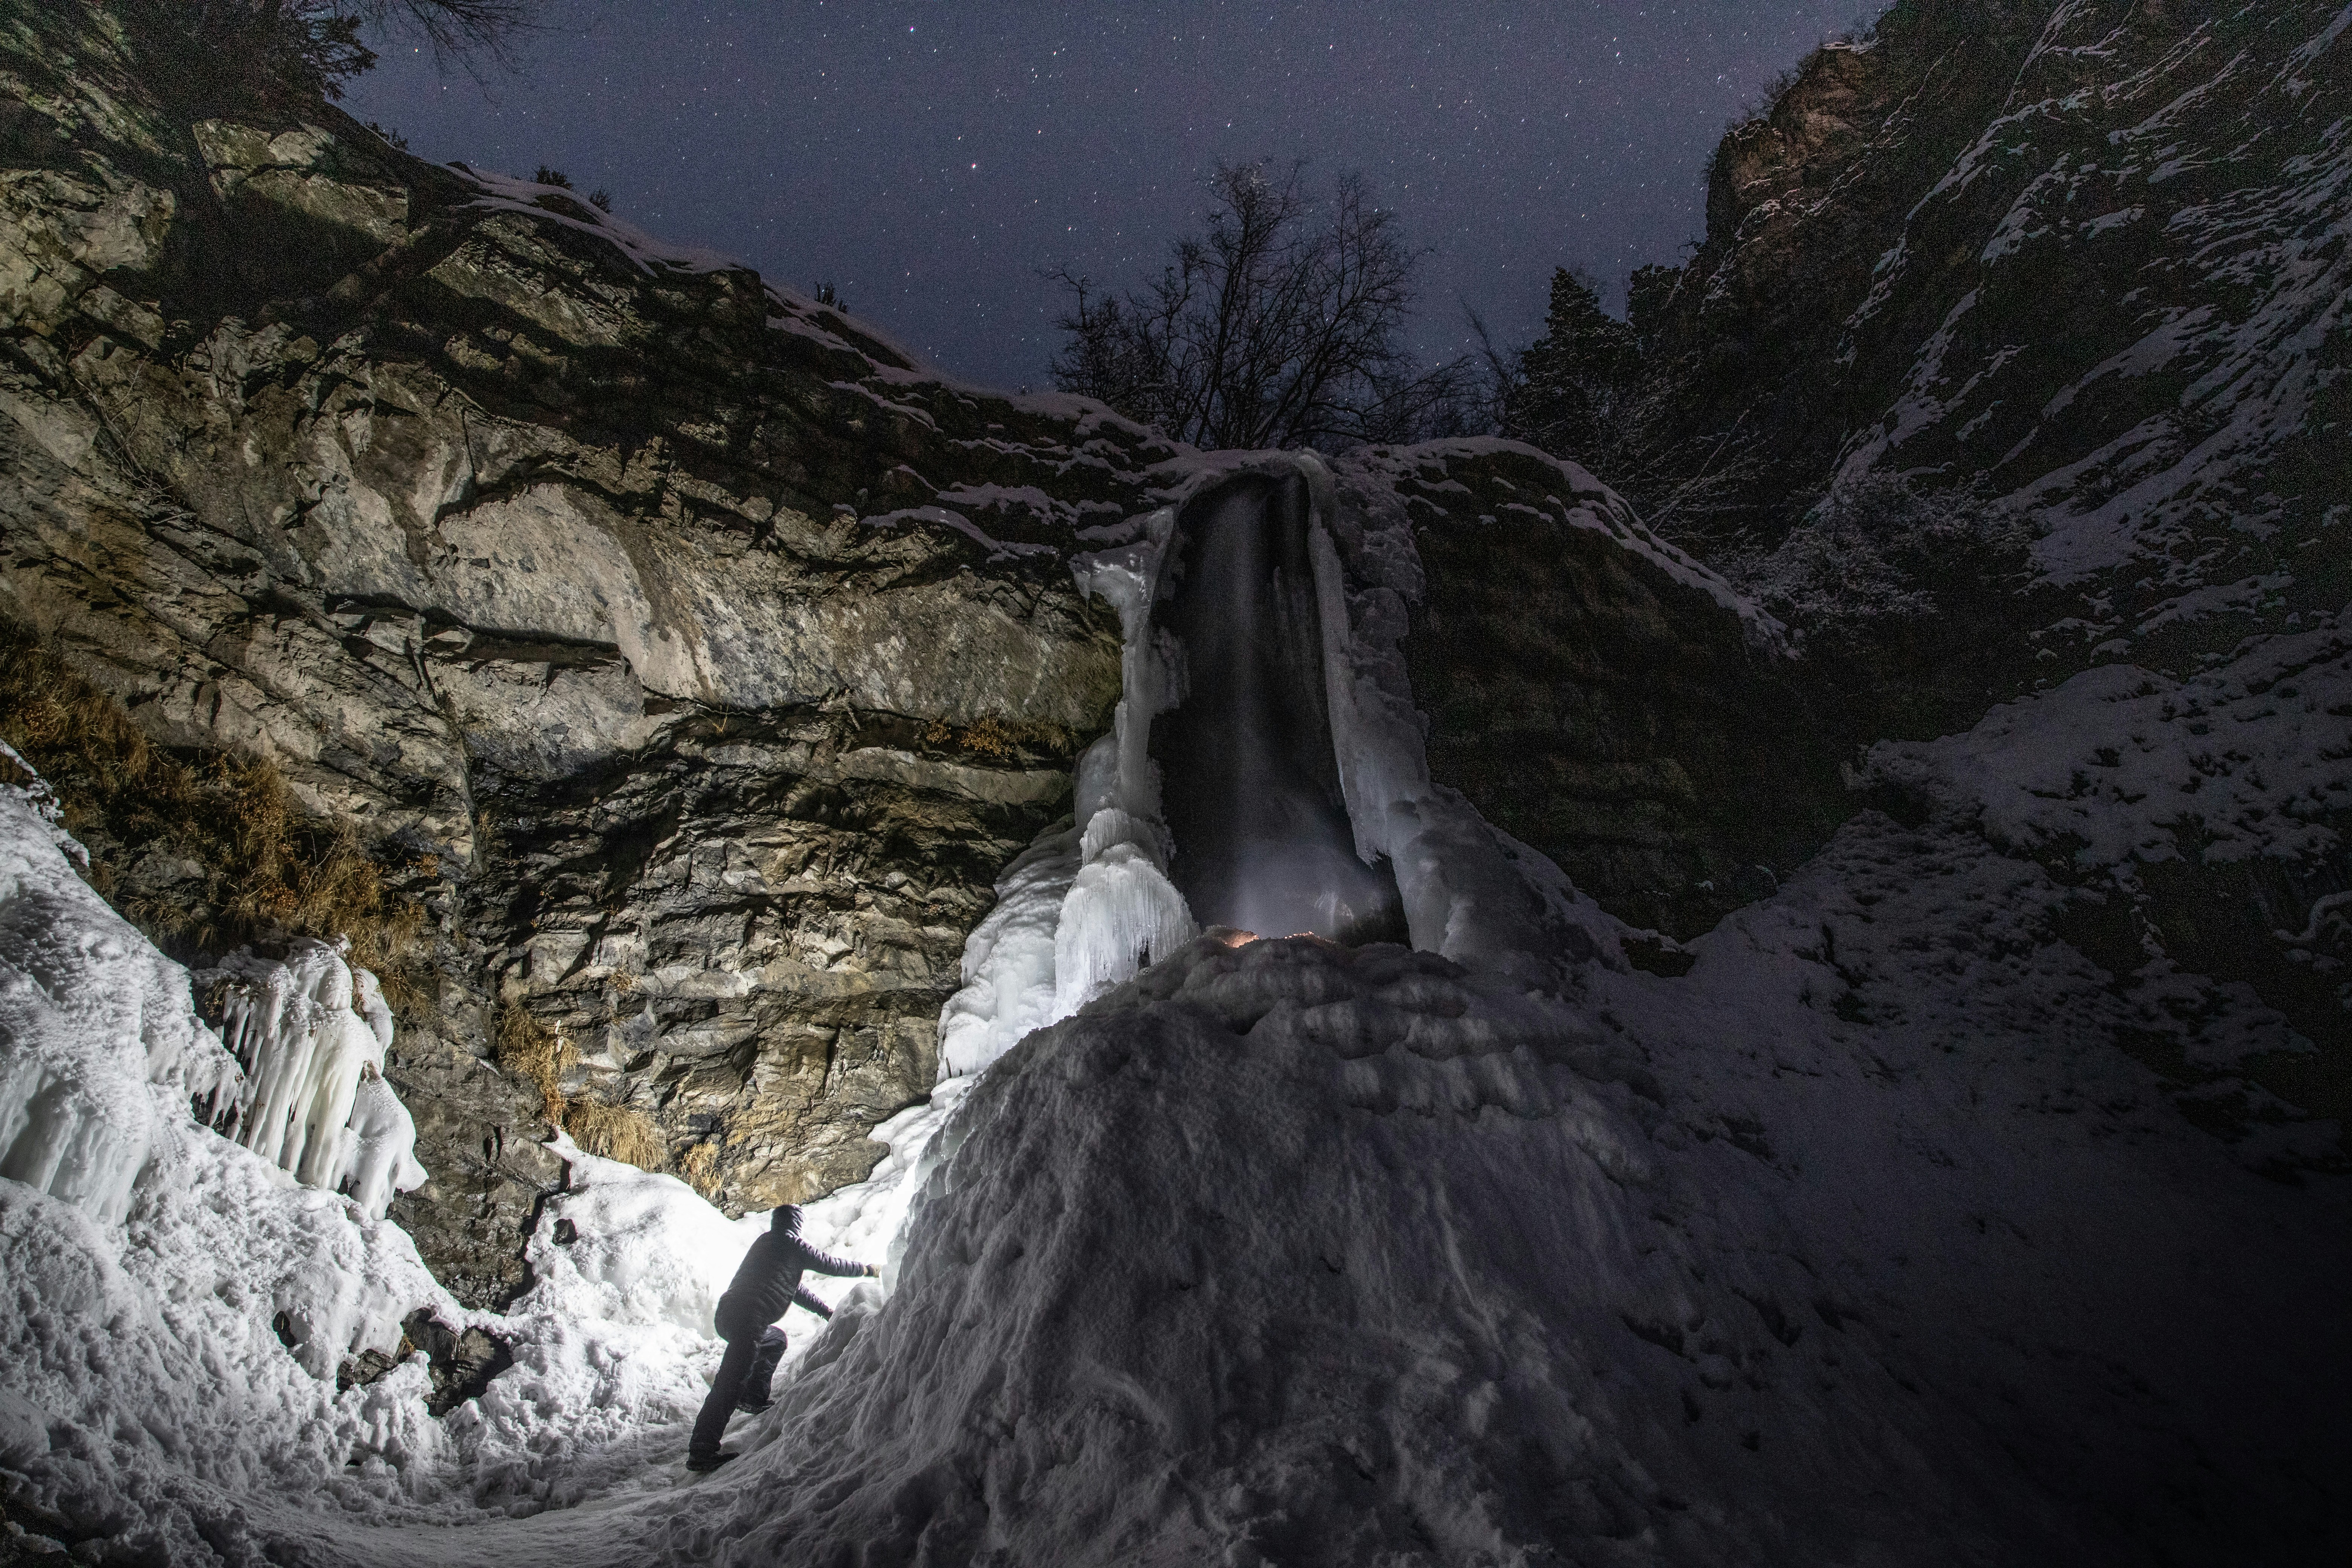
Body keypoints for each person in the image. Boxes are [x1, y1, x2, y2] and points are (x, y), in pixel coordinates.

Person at [686, 1204, 879, 1472]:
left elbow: (793, 1288)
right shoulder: (792, 1244)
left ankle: (753, 1397)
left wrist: (825, 1311)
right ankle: (702, 1451)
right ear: (796, 1224)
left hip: (730, 1315)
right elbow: (831, 1265)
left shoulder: (770, 1247)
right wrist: (868, 1270)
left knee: (775, 1340)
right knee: (729, 1383)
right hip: (748, 1317)